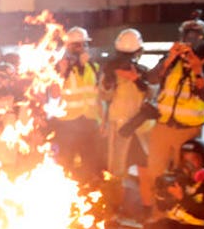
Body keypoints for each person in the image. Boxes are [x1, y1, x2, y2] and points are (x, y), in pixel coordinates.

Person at [142, 13, 204, 217]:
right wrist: (169, 59)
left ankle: (179, 219)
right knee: (155, 173)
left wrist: (197, 69)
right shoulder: (171, 61)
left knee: (183, 177)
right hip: (163, 126)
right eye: (188, 35)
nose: (191, 40)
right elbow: (150, 78)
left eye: (196, 36)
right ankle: (157, 219)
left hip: (188, 132)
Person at [50, 27, 104, 183]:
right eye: (77, 45)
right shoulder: (60, 68)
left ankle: (87, 195)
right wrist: (62, 72)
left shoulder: (93, 67)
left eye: (83, 45)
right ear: (69, 47)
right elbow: (54, 94)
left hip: (90, 122)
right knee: (64, 163)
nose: (81, 48)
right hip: (68, 124)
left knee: (90, 165)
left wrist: (102, 120)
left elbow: (99, 96)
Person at [99, 28, 151, 180]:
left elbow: (152, 93)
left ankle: (146, 202)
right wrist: (109, 80)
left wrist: (136, 79)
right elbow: (104, 95)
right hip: (120, 127)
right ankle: (114, 201)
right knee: (116, 170)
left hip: (140, 127)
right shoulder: (111, 71)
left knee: (146, 168)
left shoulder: (143, 72)